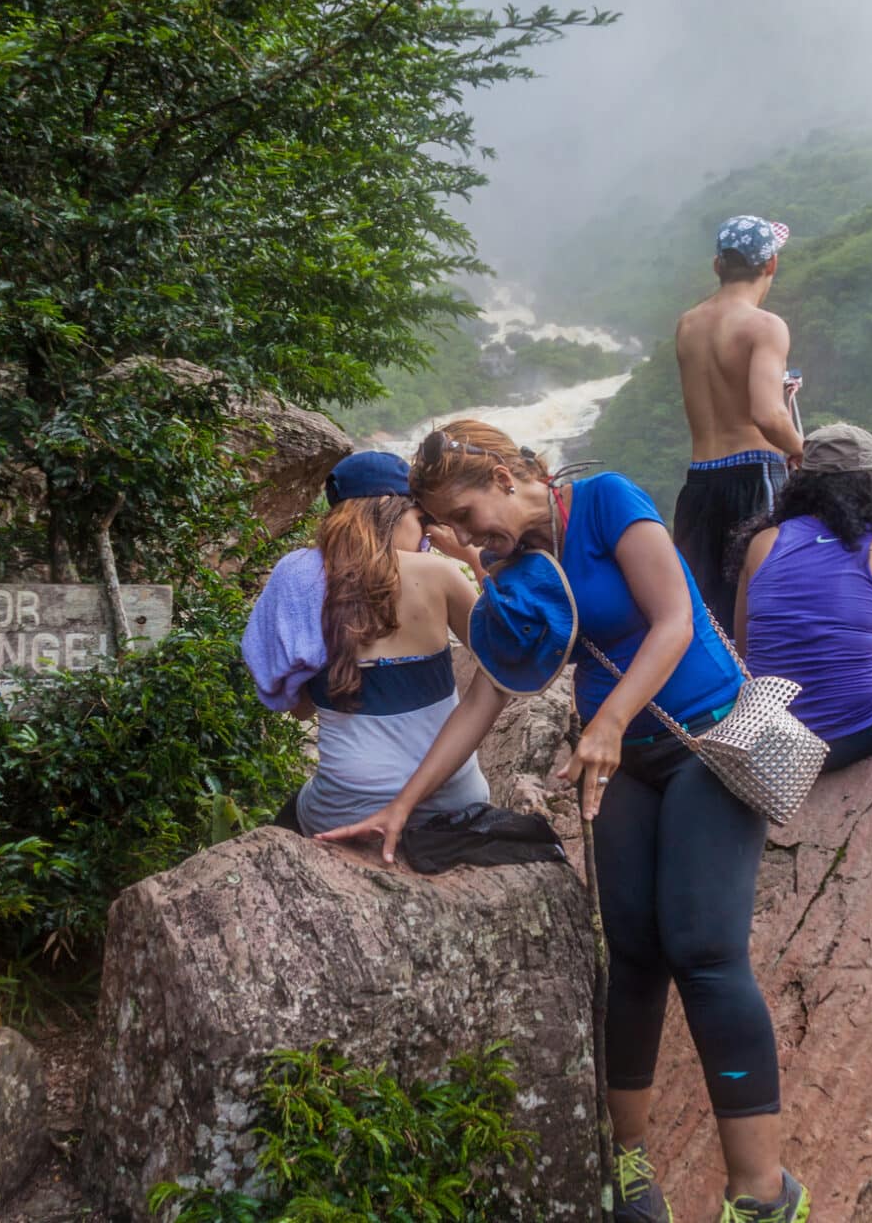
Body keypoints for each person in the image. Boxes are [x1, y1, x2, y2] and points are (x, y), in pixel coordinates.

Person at [319, 421, 810, 1223]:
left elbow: (673, 621)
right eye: (455, 528)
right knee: (635, 955)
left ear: (509, 474)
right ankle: (627, 1165)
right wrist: (400, 807)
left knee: (705, 950)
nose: (474, 539)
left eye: (474, 516)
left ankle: (760, 1193)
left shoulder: (610, 500)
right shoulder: (515, 571)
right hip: (621, 760)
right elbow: (486, 694)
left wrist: (608, 721)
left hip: (705, 738)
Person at [241, 451, 490, 835]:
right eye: (422, 518)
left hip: (346, 807)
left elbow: (301, 711)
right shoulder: (440, 573)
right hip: (456, 797)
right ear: (391, 507)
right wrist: (473, 559)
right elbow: (507, 656)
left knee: (290, 816)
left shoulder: (298, 578)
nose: (427, 533)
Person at [730, 423, 872, 770]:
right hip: (855, 732)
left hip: (774, 733)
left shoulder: (763, 543)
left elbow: (745, 651)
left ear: (801, 481)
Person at [673, 214, 806, 633]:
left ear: (718, 266)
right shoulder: (765, 326)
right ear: (771, 265)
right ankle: (764, 696)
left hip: (699, 482)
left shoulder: (688, 325)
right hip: (754, 476)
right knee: (762, 602)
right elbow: (767, 414)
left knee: (706, 610)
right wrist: (802, 449)